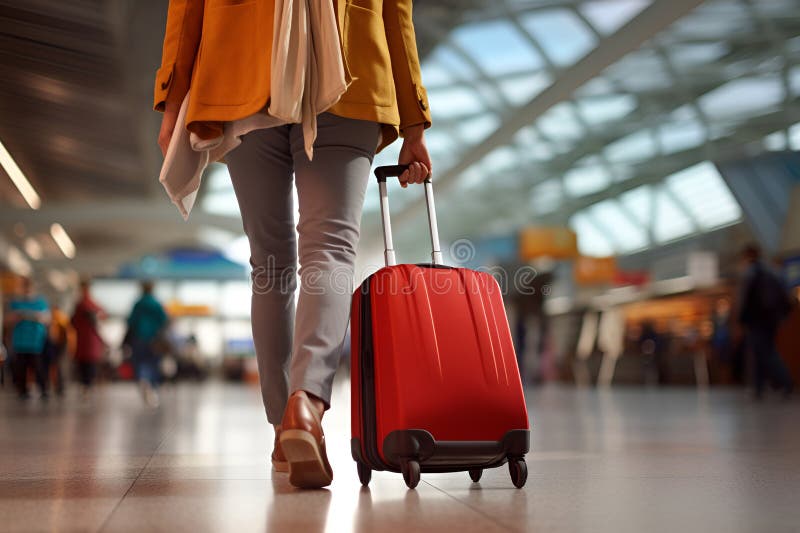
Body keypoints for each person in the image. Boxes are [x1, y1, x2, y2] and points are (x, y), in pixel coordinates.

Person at [155, 0, 432, 488]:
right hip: (350, 71)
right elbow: (396, 14)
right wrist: (413, 123)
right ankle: (303, 406)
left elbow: (187, 10)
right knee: (329, 248)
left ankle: (284, 428)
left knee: (270, 261)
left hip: (241, 74)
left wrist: (174, 102)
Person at [737, 244, 794, 399]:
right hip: (771, 320)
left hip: (756, 321)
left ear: (747, 256)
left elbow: (744, 300)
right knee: (762, 352)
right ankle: (759, 388)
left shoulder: (750, 273)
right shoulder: (770, 271)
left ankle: (785, 382)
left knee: (764, 352)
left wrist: (741, 319)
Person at [4, 277, 51, 399]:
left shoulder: (40, 302)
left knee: (38, 366)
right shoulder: (15, 302)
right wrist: (17, 317)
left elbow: (47, 319)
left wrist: (37, 317)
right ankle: (22, 391)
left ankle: (43, 390)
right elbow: (7, 320)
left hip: (36, 341)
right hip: (20, 341)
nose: (27, 289)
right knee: (20, 368)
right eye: (24, 287)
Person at [125, 281, 169, 407]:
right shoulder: (156, 304)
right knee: (153, 363)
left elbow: (131, 321)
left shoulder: (138, 304)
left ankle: (143, 381)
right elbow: (164, 320)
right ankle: (152, 388)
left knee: (139, 362)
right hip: (154, 340)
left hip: (138, 338)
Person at [71, 280, 106, 398]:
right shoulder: (94, 304)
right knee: (89, 364)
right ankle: (88, 387)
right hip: (91, 341)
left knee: (85, 365)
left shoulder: (82, 304)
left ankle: (86, 387)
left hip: (85, 340)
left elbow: (73, 321)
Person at [47, 304, 76, 397]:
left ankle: (59, 386)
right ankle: (59, 386)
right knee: (59, 366)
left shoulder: (57, 317)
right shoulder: (62, 317)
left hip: (59, 345)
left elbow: (64, 333)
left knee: (58, 366)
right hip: (60, 345)